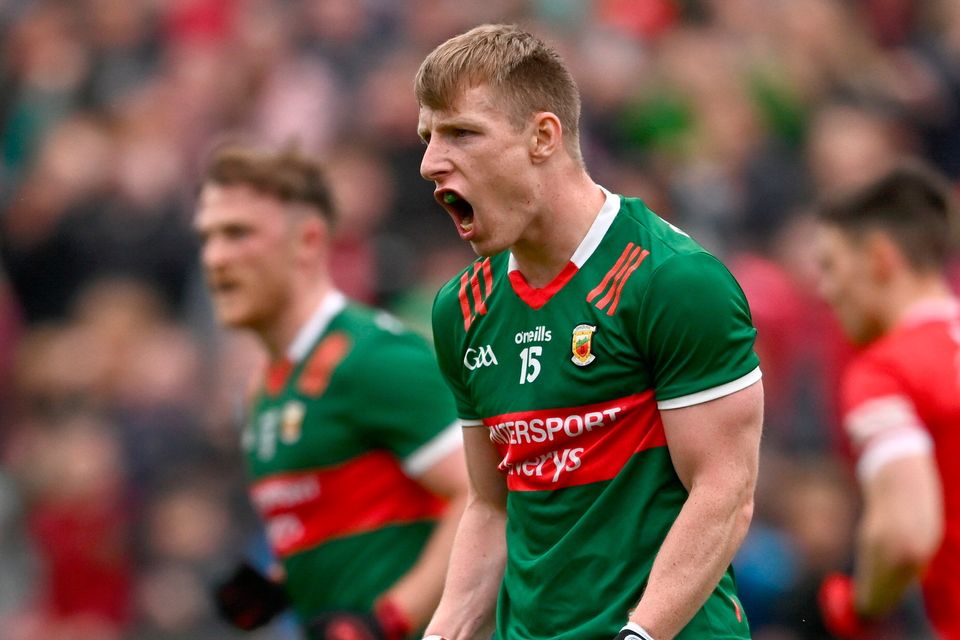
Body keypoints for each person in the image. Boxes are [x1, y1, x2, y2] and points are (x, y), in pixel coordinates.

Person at [414, 24, 765, 640]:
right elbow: (492, 506)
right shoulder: (461, 309)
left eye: (462, 133)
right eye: (428, 137)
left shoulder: (673, 281)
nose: (430, 163)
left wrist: (638, 636)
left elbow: (724, 495)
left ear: (543, 137)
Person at [193, 143, 468, 640]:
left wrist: (387, 619)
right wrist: (281, 584)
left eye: (238, 234)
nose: (215, 258)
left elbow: (483, 498)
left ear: (308, 241)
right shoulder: (263, 390)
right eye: (208, 237)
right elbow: (343, 516)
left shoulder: (373, 359)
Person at [814, 161, 960, 638]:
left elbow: (903, 534)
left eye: (832, 266)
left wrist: (861, 607)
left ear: (879, 258)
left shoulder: (889, 370)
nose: (826, 290)